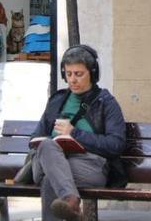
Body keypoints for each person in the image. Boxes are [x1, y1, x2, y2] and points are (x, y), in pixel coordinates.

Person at [29, 44, 127, 221]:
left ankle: (70, 201)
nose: (73, 80)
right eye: (68, 74)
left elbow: (116, 145)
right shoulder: (57, 100)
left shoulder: (105, 103)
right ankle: (71, 201)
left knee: (52, 179)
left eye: (79, 74)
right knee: (47, 146)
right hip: (48, 160)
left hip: (89, 166)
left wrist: (74, 133)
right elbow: (36, 137)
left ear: (93, 74)